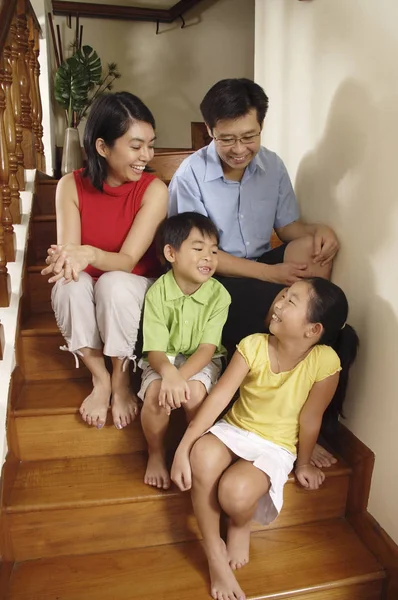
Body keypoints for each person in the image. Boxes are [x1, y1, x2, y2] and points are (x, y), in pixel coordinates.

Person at [168, 77, 340, 467]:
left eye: (250, 136)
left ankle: (297, 392)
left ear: (260, 126)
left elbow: (288, 230)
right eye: (227, 139)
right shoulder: (190, 175)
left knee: (314, 253)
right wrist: (272, 276)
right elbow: (198, 256)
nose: (240, 149)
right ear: (209, 131)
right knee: (256, 292)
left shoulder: (273, 166)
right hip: (209, 275)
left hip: (262, 264)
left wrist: (318, 231)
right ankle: (243, 418)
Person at [171, 277, 359, 600]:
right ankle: (214, 554)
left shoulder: (325, 363)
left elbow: (310, 418)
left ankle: (240, 524)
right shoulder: (253, 345)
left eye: (292, 302)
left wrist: (303, 462)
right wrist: (183, 446)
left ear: (313, 330)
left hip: (275, 446)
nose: (279, 303)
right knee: (200, 455)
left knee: (234, 493)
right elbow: (218, 399)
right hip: (235, 429)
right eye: (283, 295)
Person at [41, 92, 168, 430]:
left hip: (132, 285)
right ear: (102, 147)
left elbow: (127, 261)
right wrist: (62, 260)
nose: (147, 156)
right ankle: (100, 378)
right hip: (92, 282)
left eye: (150, 145)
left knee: (112, 283)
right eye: (136, 146)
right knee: (68, 283)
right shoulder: (70, 185)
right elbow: (70, 256)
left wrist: (90, 254)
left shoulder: (154, 190)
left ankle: (121, 377)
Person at [139, 212, 231, 490]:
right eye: (198, 248)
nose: (208, 257)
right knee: (155, 396)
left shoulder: (219, 295)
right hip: (164, 359)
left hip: (201, 360)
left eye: (214, 251)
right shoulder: (157, 292)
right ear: (171, 253)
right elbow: (154, 349)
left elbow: (207, 348)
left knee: (195, 395)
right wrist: (169, 374)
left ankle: (192, 450)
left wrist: (181, 377)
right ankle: (155, 453)